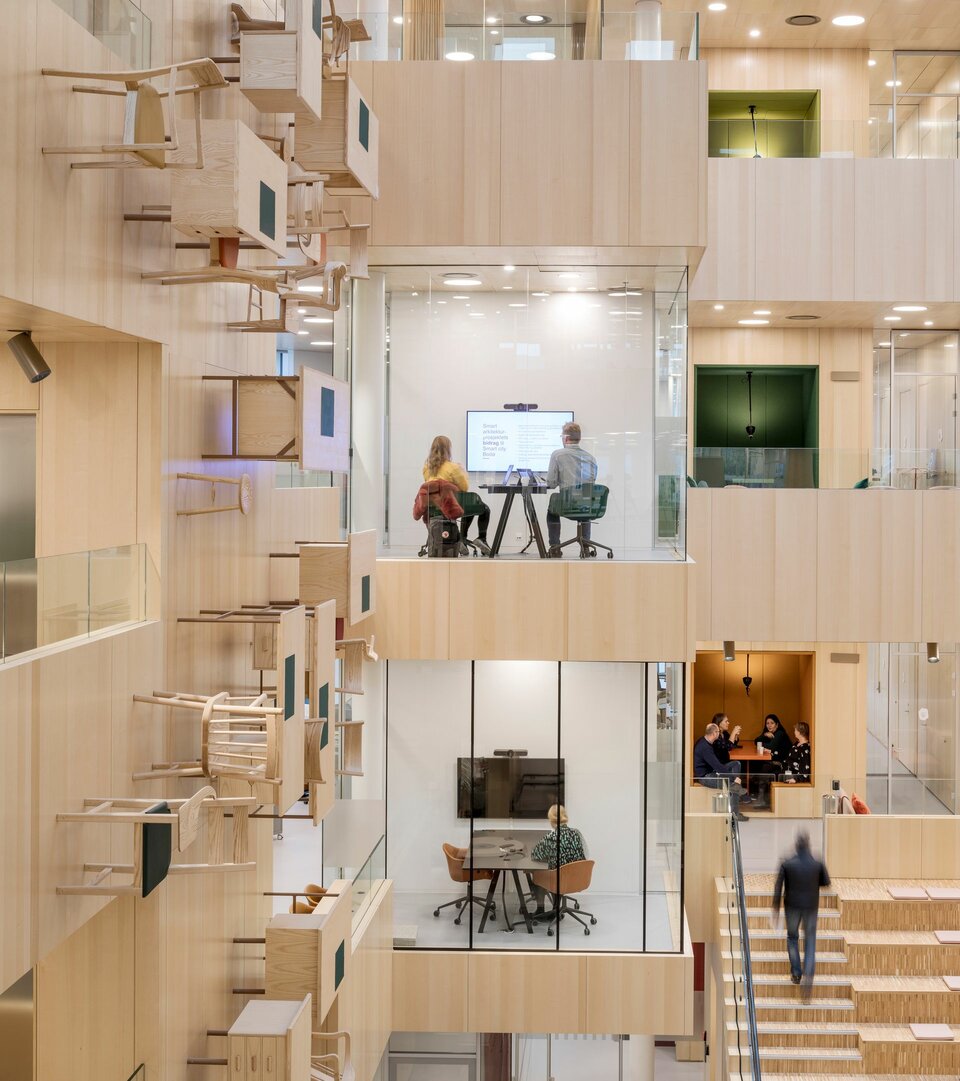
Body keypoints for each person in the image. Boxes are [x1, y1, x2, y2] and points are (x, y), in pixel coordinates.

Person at [772, 830, 830, 990]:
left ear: (796, 846)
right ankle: (809, 973)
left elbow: (778, 887)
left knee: (792, 938)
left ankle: (796, 973)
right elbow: (826, 882)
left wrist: (776, 908)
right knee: (810, 940)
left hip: (791, 907)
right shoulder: (817, 863)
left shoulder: (787, 864)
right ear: (808, 845)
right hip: (811, 907)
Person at [422, 435, 492, 555]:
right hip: (451, 506)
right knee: (483, 508)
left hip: (434, 508)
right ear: (448, 449)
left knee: (468, 505)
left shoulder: (426, 468)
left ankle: (462, 539)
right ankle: (480, 538)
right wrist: (462, 470)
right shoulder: (453, 467)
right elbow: (465, 487)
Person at [545, 422, 598, 557]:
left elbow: (551, 483)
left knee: (553, 506)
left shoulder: (557, 455)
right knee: (585, 505)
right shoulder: (591, 458)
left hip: (567, 505)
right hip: (586, 505)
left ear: (566, 438)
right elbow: (591, 483)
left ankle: (555, 547)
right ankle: (585, 547)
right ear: (578, 438)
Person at [528, 804, 587, 914]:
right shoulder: (576, 833)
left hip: (558, 879)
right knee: (558, 871)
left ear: (551, 820)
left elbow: (535, 855)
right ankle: (556, 908)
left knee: (537, 872)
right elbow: (583, 855)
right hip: (576, 877)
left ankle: (540, 910)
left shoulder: (551, 837)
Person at [693, 722, 752, 821]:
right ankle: (735, 813)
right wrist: (734, 778)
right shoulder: (705, 747)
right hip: (705, 777)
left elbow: (719, 762)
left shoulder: (706, 741)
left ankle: (738, 789)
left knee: (736, 764)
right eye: (718, 732)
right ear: (714, 733)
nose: (719, 733)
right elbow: (718, 767)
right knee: (732, 783)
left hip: (712, 771)